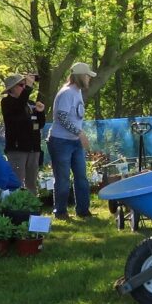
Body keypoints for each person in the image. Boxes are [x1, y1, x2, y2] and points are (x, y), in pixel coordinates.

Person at [46, 62, 95, 220]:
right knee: (63, 179)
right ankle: (60, 212)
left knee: (81, 177)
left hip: (74, 142)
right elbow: (62, 117)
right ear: (80, 76)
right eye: (87, 75)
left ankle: (83, 210)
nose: (89, 78)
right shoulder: (67, 92)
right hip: (60, 142)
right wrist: (79, 133)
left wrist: (78, 135)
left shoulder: (77, 91)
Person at [1, 73, 46, 192]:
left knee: (32, 182)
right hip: (17, 149)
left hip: (33, 148)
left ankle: (32, 202)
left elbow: (39, 125)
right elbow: (18, 109)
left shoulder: (30, 103)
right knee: (17, 182)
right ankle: (15, 203)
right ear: (11, 89)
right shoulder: (7, 102)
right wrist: (29, 88)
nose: (24, 87)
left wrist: (40, 112)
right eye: (21, 85)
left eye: (25, 85)